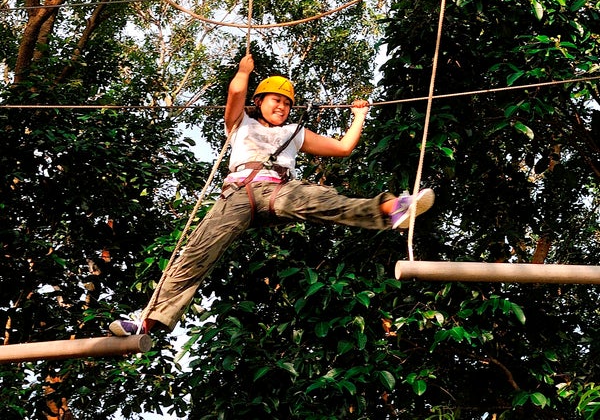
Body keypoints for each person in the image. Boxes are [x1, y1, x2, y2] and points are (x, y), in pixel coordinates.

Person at [109, 53, 434, 336]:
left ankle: (391, 210)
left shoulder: (293, 132)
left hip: (279, 190)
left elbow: (343, 148)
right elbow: (236, 92)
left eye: (287, 102)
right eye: (275, 100)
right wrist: (244, 72)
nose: (281, 106)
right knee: (196, 253)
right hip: (236, 195)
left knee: (326, 201)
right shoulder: (240, 124)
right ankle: (147, 321)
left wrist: (359, 116)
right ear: (260, 102)